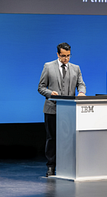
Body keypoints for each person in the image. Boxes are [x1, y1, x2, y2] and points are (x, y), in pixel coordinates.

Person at [38, 42, 86, 177]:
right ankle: (51, 166)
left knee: (68, 138)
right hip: (52, 109)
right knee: (52, 138)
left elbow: (81, 84)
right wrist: (50, 93)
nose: (66, 59)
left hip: (69, 110)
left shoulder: (75, 68)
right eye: (63, 56)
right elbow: (41, 87)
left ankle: (67, 166)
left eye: (68, 56)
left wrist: (81, 92)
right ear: (58, 54)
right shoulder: (48, 67)